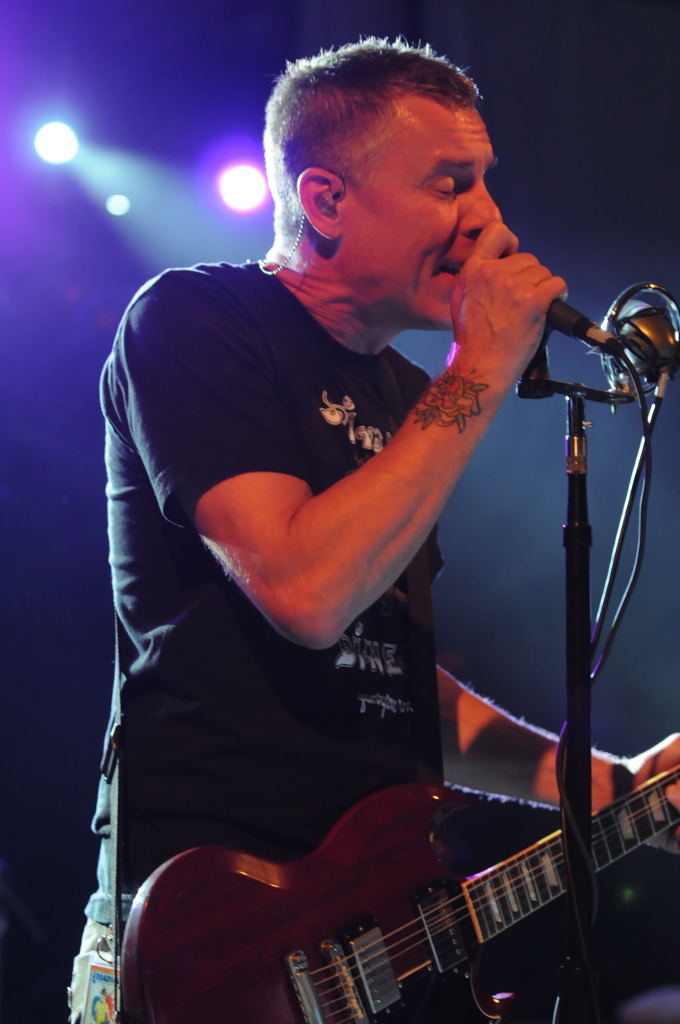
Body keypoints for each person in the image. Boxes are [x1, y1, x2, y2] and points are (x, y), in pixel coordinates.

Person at [69, 37, 680, 1024]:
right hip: (210, 933)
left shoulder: (405, 393)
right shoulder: (194, 321)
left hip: (369, 922)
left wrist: (609, 786)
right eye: (450, 184)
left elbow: (389, 679)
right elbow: (306, 594)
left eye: (485, 181)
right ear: (324, 201)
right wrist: (478, 370)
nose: (488, 220)